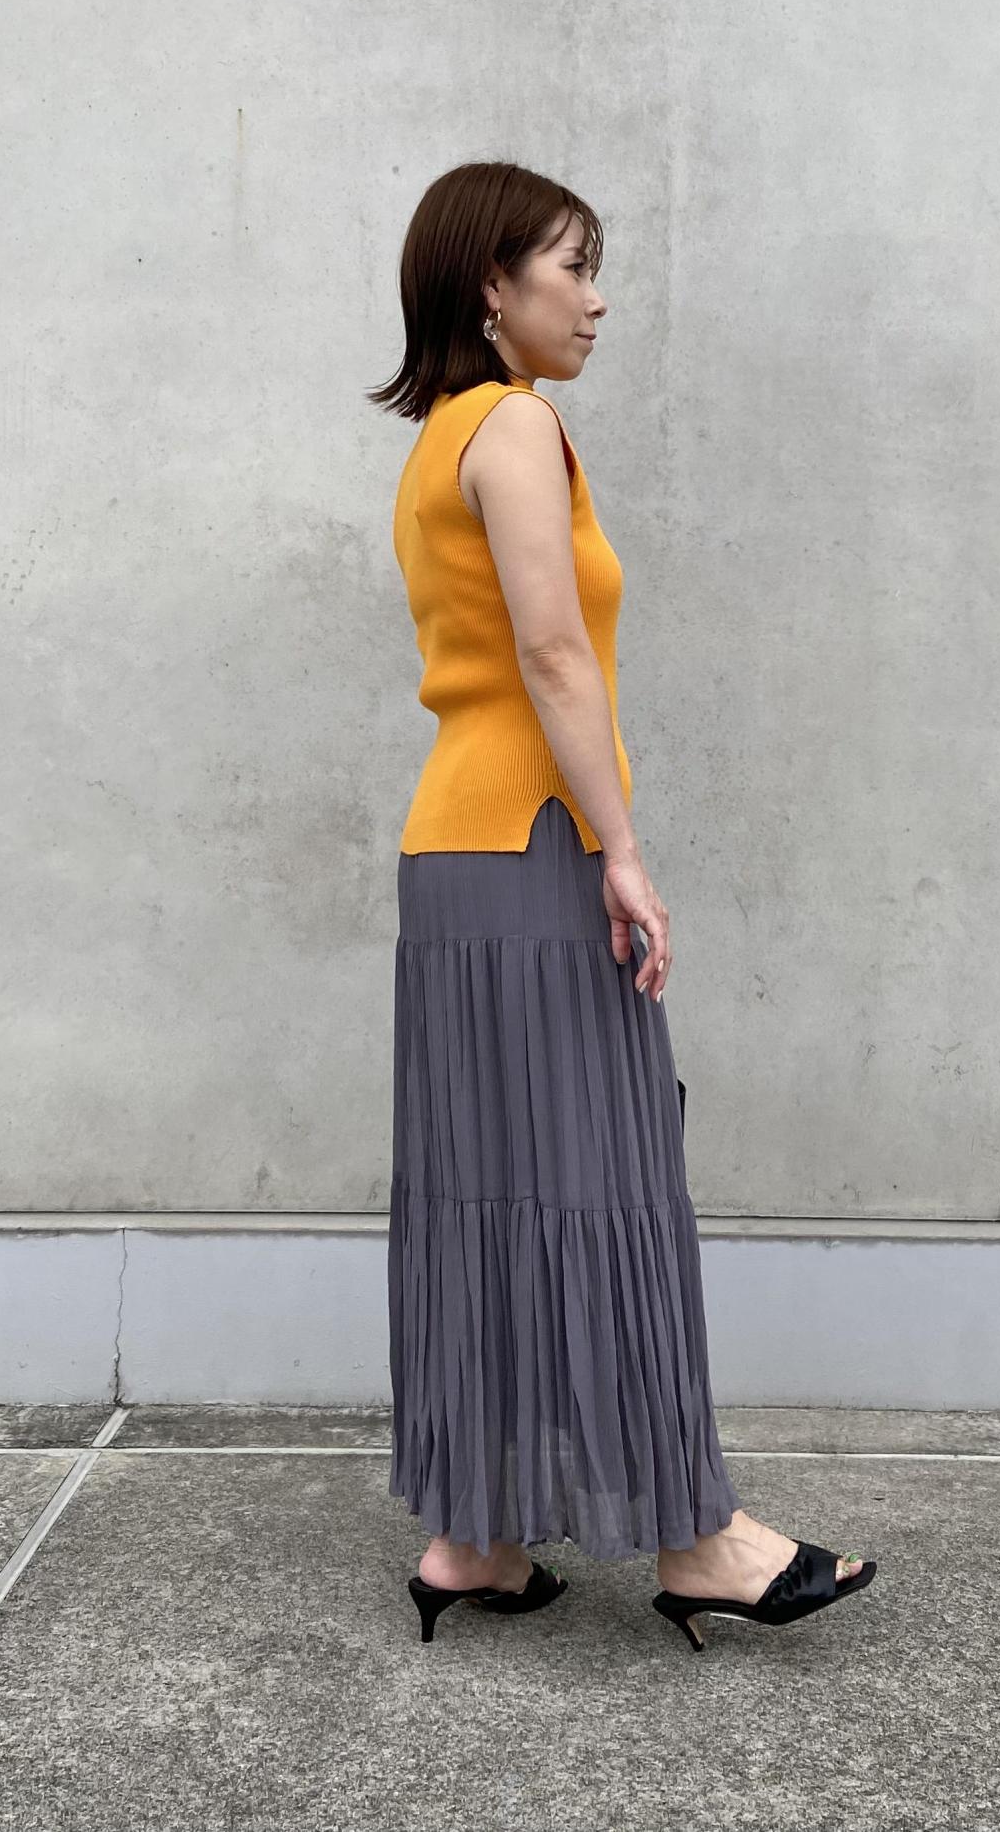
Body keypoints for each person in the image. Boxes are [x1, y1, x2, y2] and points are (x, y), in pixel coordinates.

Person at [367, 160, 876, 1651]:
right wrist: (623, 849)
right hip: (536, 844)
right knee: (605, 1180)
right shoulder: (518, 425)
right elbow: (554, 654)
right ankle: (700, 1541)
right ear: (492, 287)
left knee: (486, 1187)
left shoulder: (437, 441)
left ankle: (473, 1538)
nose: (597, 301)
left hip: (451, 852)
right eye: (573, 267)